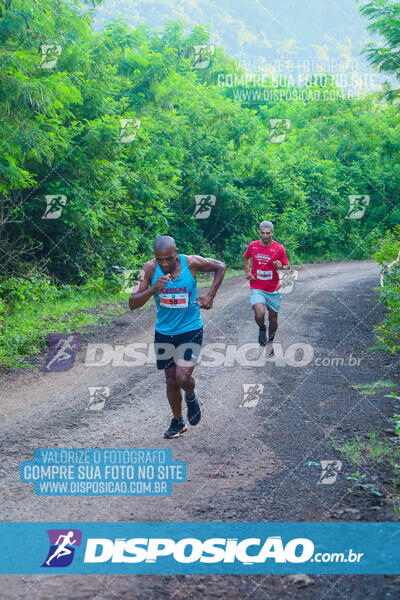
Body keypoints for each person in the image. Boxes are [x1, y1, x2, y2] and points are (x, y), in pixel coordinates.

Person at [129, 236, 226, 438]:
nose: (164, 264)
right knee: (170, 380)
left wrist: (210, 295)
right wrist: (153, 289)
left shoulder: (191, 262)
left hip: (190, 329)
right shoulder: (148, 269)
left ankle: (191, 396)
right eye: (160, 259)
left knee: (182, 377)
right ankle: (178, 421)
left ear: (176, 253)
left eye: (169, 259)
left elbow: (221, 266)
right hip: (164, 332)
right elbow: (132, 302)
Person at [243, 221, 290, 353]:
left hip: (274, 289)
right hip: (257, 286)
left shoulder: (279, 248)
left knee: (273, 318)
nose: (265, 236)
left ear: (272, 233)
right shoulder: (253, 246)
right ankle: (262, 328)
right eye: (263, 233)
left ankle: (270, 342)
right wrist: (248, 272)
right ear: (259, 232)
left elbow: (287, 266)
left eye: (268, 233)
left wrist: (280, 266)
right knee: (260, 313)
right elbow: (245, 258)